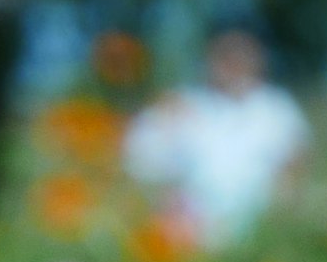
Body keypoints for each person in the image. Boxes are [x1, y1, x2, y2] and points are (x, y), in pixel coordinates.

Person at [122, 28, 311, 249]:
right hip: (185, 229)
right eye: (225, 56)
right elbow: (138, 157)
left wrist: (282, 208)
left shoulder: (276, 109)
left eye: (241, 57)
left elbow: (296, 164)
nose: (233, 65)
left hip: (258, 229)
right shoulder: (183, 103)